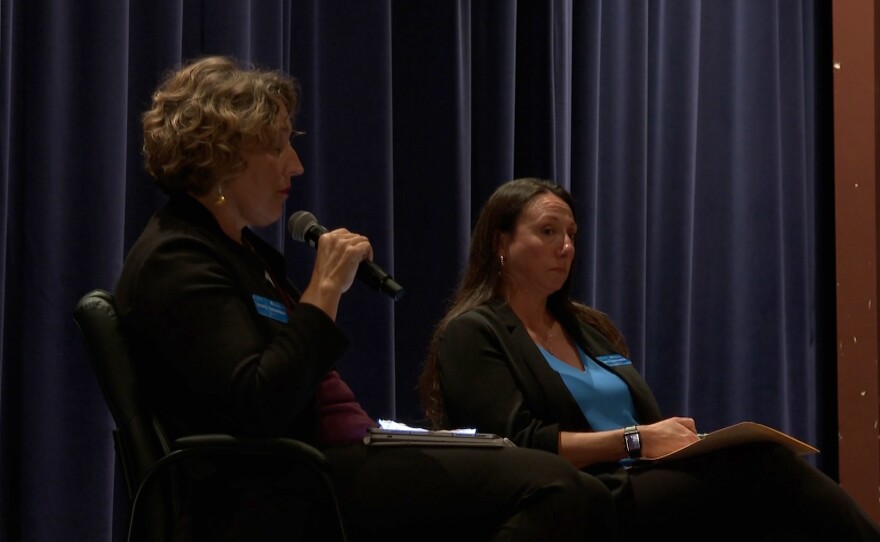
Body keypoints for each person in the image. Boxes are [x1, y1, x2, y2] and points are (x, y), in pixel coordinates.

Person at [113, 57, 615, 541]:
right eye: (279, 146)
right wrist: (325, 289)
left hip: (327, 464)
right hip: (278, 489)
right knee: (555, 486)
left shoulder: (241, 252)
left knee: (571, 488)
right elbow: (258, 407)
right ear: (224, 154)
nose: (296, 165)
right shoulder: (176, 258)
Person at [419, 177, 880, 541]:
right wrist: (637, 440)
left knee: (770, 496)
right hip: (587, 496)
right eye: (548, 232)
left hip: (644, 479)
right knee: (764, 466)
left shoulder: (587, 329)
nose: (566, 247)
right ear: (500, 243)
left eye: (572, 234)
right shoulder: (473, 332)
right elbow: (515, 443)